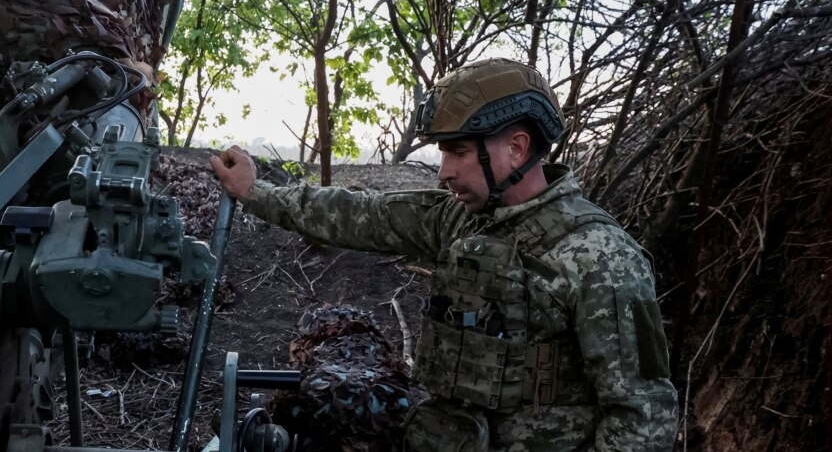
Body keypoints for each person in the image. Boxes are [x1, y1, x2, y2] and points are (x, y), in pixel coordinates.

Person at [209, 58, 678, 451]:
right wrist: (257, 192)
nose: (444, 173)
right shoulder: (460, 219)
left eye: (457, 153)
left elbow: (644, 417)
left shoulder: (599, 257)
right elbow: (359, 214)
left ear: (516, 149)